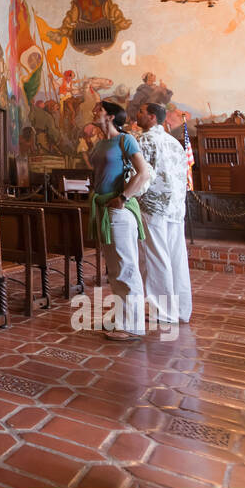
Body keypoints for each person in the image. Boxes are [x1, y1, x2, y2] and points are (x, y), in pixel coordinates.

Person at [88, 100, 152, 340]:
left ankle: (133, 325)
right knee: (114, 268)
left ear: (112, 116)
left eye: (99, 109)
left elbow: (143, 172)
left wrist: (123, 197)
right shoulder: (101, 143)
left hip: (119, 209)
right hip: (104, 208)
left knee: (126, 267)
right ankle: (123, 316)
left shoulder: (126, 140)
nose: (94, 112)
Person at [134, 102, 192, 324]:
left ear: (151, 117)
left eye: (141, 112)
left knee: (155, 258)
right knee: (176, 257)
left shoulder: (145, 140)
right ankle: (181, 309)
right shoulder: (174, 142)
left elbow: (142, 175)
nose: (137, 114)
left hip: (153, 207)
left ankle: (164, 312)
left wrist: (128, 197)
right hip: (176, 207)